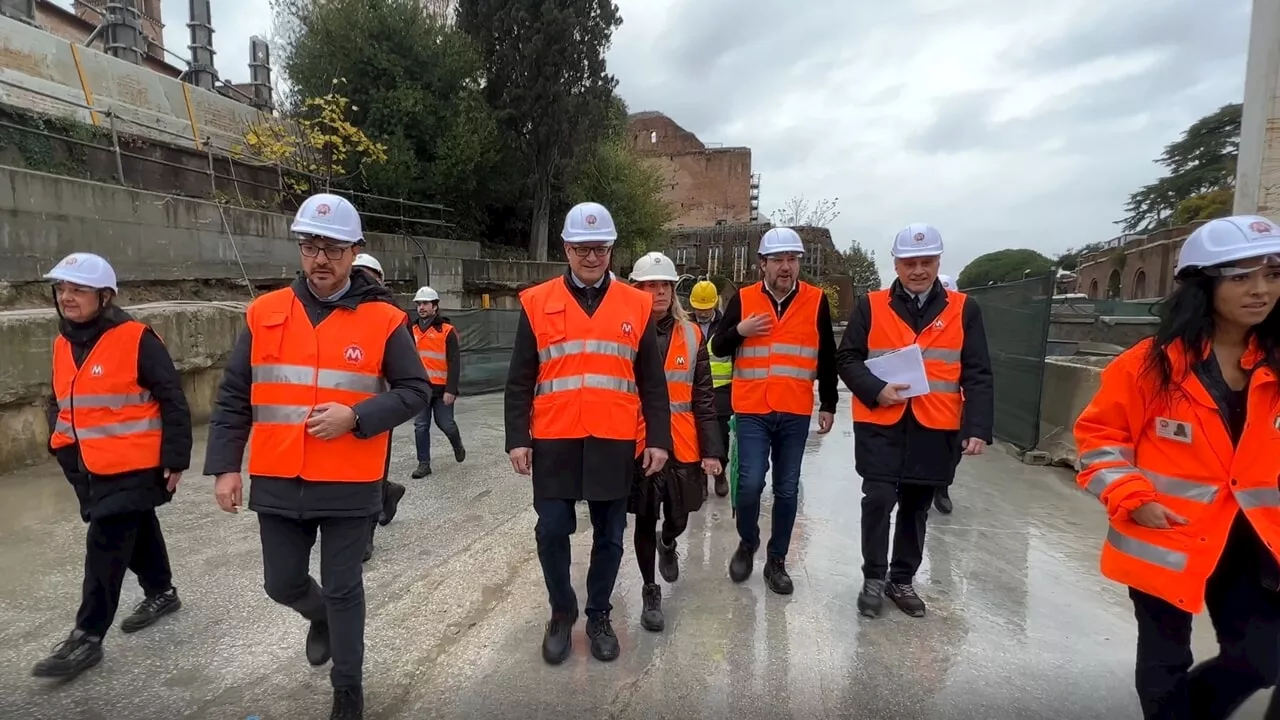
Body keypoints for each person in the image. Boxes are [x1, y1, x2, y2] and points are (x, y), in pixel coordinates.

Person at [203, 193, 431, 720]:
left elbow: (416, 390)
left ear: (355, 252)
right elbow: (235, 395)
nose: (320, 258)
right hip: (280, 476)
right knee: (280, 582)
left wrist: (356, 416)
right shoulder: (264, 314)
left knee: (346, 586)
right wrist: (223, 467)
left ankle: (347, 690)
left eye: (332, 247)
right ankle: (320, 616)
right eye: (310, 246)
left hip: (350, 480)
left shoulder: (384, 320)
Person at [1074, 215, 1280, 720]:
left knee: (1261, 659)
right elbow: (1100, 439)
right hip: (1165, 536)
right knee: (1165, 662)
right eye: (1240, 276)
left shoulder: (1275, 363)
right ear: (1202, 285)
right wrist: (1133, 498)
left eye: (1273, 274)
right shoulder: (1150, 366)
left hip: (1252, 541)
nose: (1260, 290)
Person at [504, 201, 670, 665]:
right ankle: (562, 610)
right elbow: (520, 377)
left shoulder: (637, 305)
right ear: (566, 248)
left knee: (611, 535)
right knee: (552, 529)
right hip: (554, 437)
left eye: (599, 248)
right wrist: (518, 436)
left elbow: (651, 380)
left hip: (614, 439)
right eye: (582, 248)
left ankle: (599, 613)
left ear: (611, 249)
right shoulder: (536, 302)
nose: (591, 257)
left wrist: (658, 437)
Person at [31, 252, 193, 681]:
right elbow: (62, 400)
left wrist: (176, 458)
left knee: (105, 542)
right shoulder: (63, 341)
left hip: (137, 464)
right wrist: (58, 443)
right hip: (87, 465)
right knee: (136, 528)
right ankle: (162, 592)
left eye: (78, 289)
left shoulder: (135, 338)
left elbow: (173, 399)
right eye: (61, 289)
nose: (66, 297)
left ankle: (87, 635)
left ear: (104, 296)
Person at [837, 223, 993, 619]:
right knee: (878, 500)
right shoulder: (870, 306)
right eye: (910, 262)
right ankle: (873, 577)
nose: (918, 270)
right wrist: (875, 389)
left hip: (935, 425)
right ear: (897, 263)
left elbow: (977, 371)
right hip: (881, 422)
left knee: (916, 506)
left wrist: (977, 426)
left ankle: (901, 578)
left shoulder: (963, 309)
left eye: (926, 262)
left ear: (938, 262)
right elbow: (847, 358)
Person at [710, 226, 838, 595]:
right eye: (779, 260)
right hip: (751, 408)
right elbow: (718, 346)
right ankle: (748, 542)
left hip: (795, 410)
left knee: (786, 488)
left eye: (792, 260)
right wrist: (741, 330)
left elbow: (827, 354)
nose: (786, 267)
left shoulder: (815, 300)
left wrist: (828, 402)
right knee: (749, 485)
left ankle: (777, 560)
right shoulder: (744, 299)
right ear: (762, 264)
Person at [627, 253, 724, 632]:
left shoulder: (692, 334)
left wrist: (712, 449)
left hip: (683, 440)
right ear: (638, 288)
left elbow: (703, 395)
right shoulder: (625, 331)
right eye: (651, 285)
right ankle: (650, 590)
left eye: (665, 285)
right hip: (641, 439)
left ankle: (669, 541)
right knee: (644, 516)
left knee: (680, 516)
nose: (660, 292)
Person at [350, 252, 410, 563]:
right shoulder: (337, 308)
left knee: (370, 473)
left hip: (377, 410)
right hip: (337, 409)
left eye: (366, 274)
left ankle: (366, 536)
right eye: (355, 272)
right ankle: (388, 492)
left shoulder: (389, 314)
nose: (359, 279)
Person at [408, 285, 465, 479]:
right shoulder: (412, 330)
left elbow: (454, 362)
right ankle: (424, 464)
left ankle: (457, 444)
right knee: (421, 426)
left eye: (425, 303)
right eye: (419, 304)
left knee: (446, 424)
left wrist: (452, 390)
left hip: (442, 390)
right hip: (420, 389)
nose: (421, 307)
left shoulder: (447, 331)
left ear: (435, 306)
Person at [689, 278, 731, 498]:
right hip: (693, 388)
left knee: (720, 434)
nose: (702, 313)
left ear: (715, 304)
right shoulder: (685, 324)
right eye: (698, 309)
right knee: (695, 434)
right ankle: (701, 480)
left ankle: (720, 473)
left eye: (706, 309)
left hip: (721, 389)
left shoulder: (726, 326)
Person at [932, 271, 961, 515]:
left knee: (952, 453)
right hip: (926, 404)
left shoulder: (964, 320)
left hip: (956, 404)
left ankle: (941, 488)